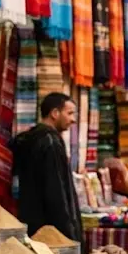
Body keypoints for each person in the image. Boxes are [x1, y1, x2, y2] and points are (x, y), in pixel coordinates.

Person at [11, 93, 83, 242]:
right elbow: (56, 191)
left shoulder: (30, 139)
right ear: (55, 113)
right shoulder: (51, 142)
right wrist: (69, 233)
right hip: (51, 231)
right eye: (69, 113)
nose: (73, 119)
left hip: (32, 222)